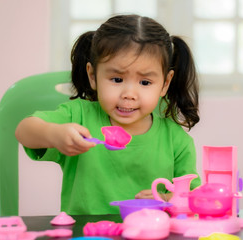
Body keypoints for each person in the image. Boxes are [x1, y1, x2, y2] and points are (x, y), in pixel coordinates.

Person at [15, 14, 201, 215]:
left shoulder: (176, 141)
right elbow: (23, 130)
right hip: (85, 234)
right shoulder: (78, 116)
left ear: (165, 83)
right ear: (93, 76)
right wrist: (54, 134)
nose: (129, 94)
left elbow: (194, 199)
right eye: (116, 79)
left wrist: (166, 198)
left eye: (145, 83)